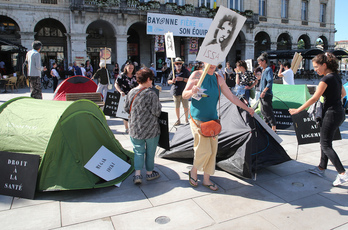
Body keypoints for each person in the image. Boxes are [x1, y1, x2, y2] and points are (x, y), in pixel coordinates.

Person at [182, 63, 254, 191]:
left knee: (212, 151)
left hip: (212, 120)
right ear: (204, 62)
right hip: (197, 119)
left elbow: (231, 97)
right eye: (209, 62)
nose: (212, 65)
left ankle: (206, 179)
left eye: (215, 62)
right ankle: (193, 171)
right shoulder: (197, 75)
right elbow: (184, 95)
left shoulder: (218, 78)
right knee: (203, 149)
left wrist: (247, 108)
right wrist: (191, 91)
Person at [289, 52, 348, 186]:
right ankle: (321, 167)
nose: (315, 69)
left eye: (317, 67)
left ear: (324, 65)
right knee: (325, 142)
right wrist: (333, 101)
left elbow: (314, 98)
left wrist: (298, 110)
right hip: (338, 112)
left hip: (331, 114)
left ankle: (342, 173)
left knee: (325, 145)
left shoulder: (325, 79)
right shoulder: (336, 77)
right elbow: (343, 94)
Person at [124, 68, 162, 185]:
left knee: (138, 151)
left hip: (135, 128)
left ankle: (137, 175)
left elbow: (126, 109)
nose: (152, 82)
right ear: (148, 79)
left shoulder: (131, 92)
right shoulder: (151, 94)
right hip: (151, 129)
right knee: (150, 152)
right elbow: (157, 111)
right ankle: (150, 173)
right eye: (151, 79)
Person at [115, 62, 138, 133]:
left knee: (134, 111)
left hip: (135, 95)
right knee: (125, 112)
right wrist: (120, 91)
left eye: (132, 68)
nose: (130, 69)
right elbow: (116, 84)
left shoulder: (135, 75)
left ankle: (133, 126)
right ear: (126, 68)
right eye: (129, 68)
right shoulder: (122, 75)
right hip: (125, 95)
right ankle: (126, 127)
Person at [167, 57, 190, 125]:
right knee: (177, 107)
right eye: (177, 63)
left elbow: (190, 80)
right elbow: (168, 81)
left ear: (182, 64)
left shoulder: (185, 71)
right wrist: (172, 81)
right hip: (176, 91)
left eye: (180, 63)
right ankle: (178, 120)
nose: (178, 65)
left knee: (185, 106)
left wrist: (182, 79)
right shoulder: (173, 71)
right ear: (175, 64)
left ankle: (186, 119)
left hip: (184, 91)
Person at [257, 52, 276, 132]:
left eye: (260, 62)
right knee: (263, 111)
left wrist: (264, 91)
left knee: (268, 112)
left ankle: (273, 129)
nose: (259, 63)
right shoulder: (263, 70)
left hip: (266, 94)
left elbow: (269, 82)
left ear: (264, 61)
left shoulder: (268, 70)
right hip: (262, 94)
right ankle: (266, 127)